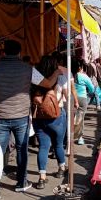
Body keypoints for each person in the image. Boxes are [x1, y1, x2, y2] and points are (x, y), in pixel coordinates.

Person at [0, 40, 65, 199]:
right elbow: (48, 84)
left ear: (3, 52)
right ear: (19, 53)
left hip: (0, 117)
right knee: (22, 150)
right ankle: (21, 183)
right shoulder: (28, 69)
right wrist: (56, 72)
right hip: (21, 116)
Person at [32, 56, 68, 189]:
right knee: (58, 144)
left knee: (43, 146)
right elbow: (66, 94)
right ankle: (61, 168)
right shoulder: (60, 77)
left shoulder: (35, 77)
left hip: (39, 117)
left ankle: (42, 177)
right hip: (56, 116)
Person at [72, 58, 95, 145]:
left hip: (71, 98)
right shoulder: (84, 76)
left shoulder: (69, 75)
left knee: (70, 117)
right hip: (82, 98)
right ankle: (80, 137)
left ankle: (69, 136)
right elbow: (92, 89)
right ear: (80, 67)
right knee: (80, 118)